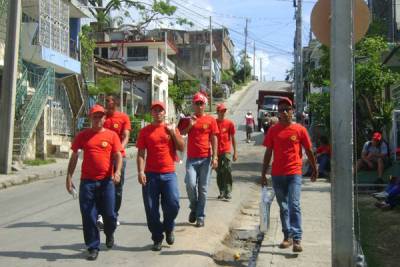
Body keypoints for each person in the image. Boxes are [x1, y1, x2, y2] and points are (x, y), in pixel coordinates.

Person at [65, 104, 122, 261]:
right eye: (94, 116)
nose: (97, 119)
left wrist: (117, 172)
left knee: (110, 215)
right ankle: (93, 246)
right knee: (88, 216)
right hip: (87, 183)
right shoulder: (83, 136)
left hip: (106, 182)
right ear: (91, 118)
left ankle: (109, 232)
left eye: (100, 116)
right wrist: (69, 177)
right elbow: (75, 156)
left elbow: (118, 155)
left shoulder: (112, 136)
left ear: (105, 118)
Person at [261, 97, 317, 253]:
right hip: (277, 175)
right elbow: (268, 152)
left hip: (294, 173)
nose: (284, 112)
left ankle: (297, 238)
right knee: (283, 207)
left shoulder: (300, 129)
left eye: (287, 109)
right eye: (281, 110)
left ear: (292, 111)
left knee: (294, 204)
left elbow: (308, 150)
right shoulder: (273, 130)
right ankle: (287, 236)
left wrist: (314, 169)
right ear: (278, 113)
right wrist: (263, 173)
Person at [136, 101, 184, 251]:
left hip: (169, 173)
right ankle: (157, 238)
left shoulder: (171, 128)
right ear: (152, 113)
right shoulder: (145, 131)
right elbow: (141, 153)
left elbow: (182, 147)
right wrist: (140, 171)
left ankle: (169, 227)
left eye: (160, 110)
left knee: (173, 204)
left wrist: (172, 132)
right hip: (151, 175)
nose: (158, 113)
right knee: (151, 209)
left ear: (164, 113)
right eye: (155, 110)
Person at [181, 92, 219, 227]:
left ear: (205, 105)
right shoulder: (188, 119)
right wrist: (190, 125)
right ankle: (194, 207)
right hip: (191, 159)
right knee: (190, 185)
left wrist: (215, 156)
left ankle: (200, 216)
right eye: (196, 103)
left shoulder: (211, 120)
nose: (198, 106)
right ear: (193, 105)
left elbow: (214, 138)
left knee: (203, 189)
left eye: (201, 103)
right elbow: (182, 133)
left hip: (205, 159)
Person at [96, 95, 131, 229]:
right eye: (106, 103)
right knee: (100, 186)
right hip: (103, 157)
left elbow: (126, 136)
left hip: (118, 156)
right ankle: (100, 215)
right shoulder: (102, 117)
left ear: (116, 104)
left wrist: (120, 149)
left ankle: (114, 214)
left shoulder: (123, 118)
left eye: (110, 104)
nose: (108, 107)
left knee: (117, 188)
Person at [215, 103, 238, 200]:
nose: (223, 113)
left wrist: (235, 152)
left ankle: (228, 191)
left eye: (224, 111)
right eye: (221, 111)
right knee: (219, 172)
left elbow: (233, 138)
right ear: (217, 112)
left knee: (227, 169)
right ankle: (222, 191)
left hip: (226, 150)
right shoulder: (214, 123)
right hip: (216, 151)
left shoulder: (229, 123)